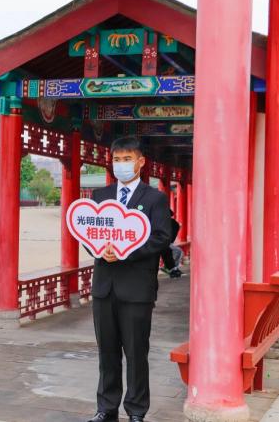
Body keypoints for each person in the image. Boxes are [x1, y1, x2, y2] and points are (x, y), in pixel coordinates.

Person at [87, 137, 172, 422]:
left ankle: (136, 411)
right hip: (104, 288)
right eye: (117, 159)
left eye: (127, 159)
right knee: (107, 352)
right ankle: (106, 408)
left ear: (140, 162)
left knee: (136, 353)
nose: (121, 164)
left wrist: (124, 252)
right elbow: (87, 233)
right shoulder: (100, 196)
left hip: (137, 290)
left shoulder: (155, 199)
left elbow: (161, 238)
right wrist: (99, 249)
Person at [160, 210, 183, 278]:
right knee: (177, 251)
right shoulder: (170, 223)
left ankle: (172, 268)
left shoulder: (171, 223)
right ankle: (172, 269)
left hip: (164, 242)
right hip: (161, 243)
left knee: (177, 251)